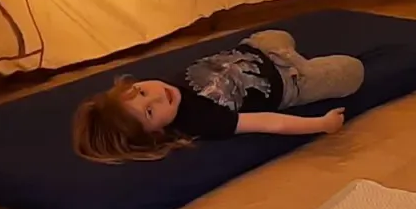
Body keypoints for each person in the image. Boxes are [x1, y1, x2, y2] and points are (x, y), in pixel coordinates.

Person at [72, 30, 365, 163]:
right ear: (156, 132)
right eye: (150, 111)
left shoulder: (168, 86)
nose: (159, 96)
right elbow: (269, 123)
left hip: (257, 49)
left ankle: (289, 53)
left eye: (142, 92)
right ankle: (301, 63)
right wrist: (321, 125)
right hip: (291, 81)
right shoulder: (203, 120)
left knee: (279, 34)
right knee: (353, 72)